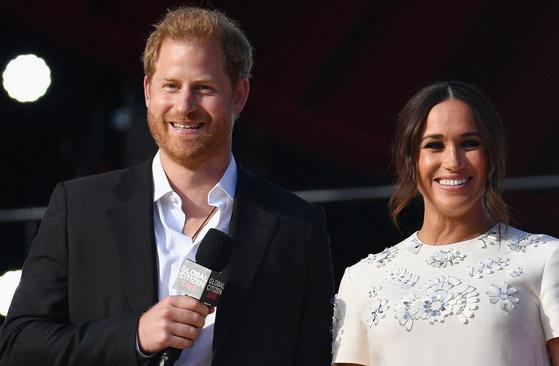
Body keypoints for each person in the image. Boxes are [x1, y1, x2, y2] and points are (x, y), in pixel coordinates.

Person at [0, 6, 334, 366]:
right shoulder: (79, 208)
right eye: (171, 86)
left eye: (203, 88)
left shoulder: (298, 225)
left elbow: (314, 353)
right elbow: (19, 345)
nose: (185, 105)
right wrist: (136, 336)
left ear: (239, 95)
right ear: (148, 90)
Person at [331, 81, 559, 366]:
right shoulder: (362, 279)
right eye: (434, 145)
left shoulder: (548, 259)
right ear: (410, 159)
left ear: (492, 157)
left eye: (469, 144)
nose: (453, 161)